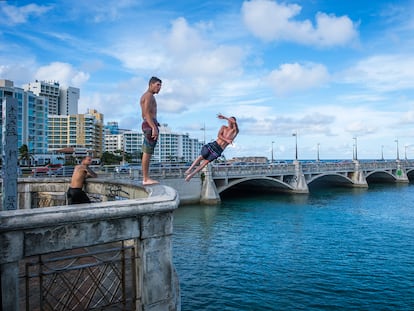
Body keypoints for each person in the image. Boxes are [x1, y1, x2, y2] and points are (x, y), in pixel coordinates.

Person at [185, 114, 239, 182]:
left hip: (219, 150)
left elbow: (233, 121)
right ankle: (189, 170)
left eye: (230, 121)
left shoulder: (235, 131)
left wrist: (225, 117)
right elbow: (219, 135)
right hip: (214, 144)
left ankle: (191, 175)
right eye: (228, 121)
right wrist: (227, 140)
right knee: (201, 157)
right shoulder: (224, 127)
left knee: (205, 163)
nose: (229, 122)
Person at [140, 76, 162, 185]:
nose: (159, 88)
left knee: (147, 152)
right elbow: (147, 113)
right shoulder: (148, 96)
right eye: (157, 85)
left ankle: (145, 178)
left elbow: (143, 114)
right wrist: (153, 127)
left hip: (148, 123)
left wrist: (155, 123)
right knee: (147, 152)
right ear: (151, 84)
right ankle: (145, 178)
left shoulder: (146, 96)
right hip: (149, 125)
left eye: (160, 85)